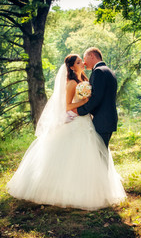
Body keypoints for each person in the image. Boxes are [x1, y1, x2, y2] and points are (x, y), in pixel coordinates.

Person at [7, 54, 126, 211]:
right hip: (77, 120)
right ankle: (64, 189)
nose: (82, 63)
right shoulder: (70, 83)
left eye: (82, 61)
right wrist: (84, 102)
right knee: (72, 155)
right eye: (78, 62)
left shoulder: (83, 79)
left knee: (89, 155)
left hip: (86, 121)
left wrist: (86, 103)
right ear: (71, 67)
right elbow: (66, 105)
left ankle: (90, 187)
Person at [76, 47, 118, 148]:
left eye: (84, 58)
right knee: (101, 154)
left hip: (102, 120)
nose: (84, 63)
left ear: (92, 56)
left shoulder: (99, 72)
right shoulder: (107, 70)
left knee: (100, 155)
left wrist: (81, 111)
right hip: (107, 119)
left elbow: (96, 98)